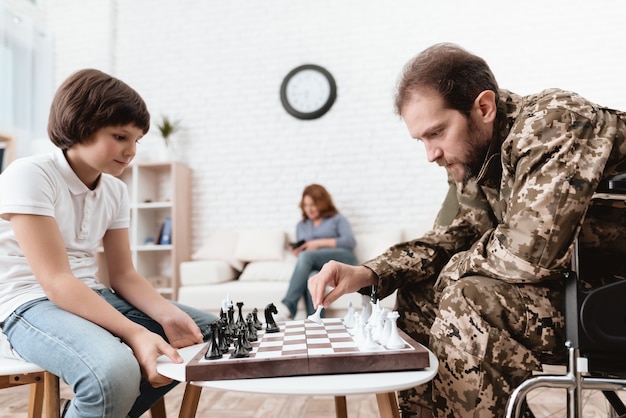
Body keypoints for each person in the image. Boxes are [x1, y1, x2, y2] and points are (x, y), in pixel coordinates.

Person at [308, 43, 626, 417]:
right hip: (576, 288)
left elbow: (528, 256)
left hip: (609, 293)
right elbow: (455, 237)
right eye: (422, 141)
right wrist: (371, 272)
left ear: (484, 107)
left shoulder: (552, 122)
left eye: (437, 133)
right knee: (416, 296)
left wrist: (455, 271)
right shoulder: (475, 159)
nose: (430, 154)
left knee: (470, 299)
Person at [0, 69, 217, 417]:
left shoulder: (116, 190)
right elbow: (56, 280)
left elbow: (124, 275)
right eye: (120, 136)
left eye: (136, 140)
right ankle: (100, 402)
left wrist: (167, 313)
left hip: (91, 295)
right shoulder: (29, 175)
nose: (131, 151)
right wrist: (136, 333)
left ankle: (94, 409)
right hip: (26, 304)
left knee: (206, 336)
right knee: (113, 373)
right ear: (79, 125)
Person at [276, 184, 358, 320]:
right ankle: (316, 321)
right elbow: (305, 251)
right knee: (313, 277)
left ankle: (288, 306)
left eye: (313, 204)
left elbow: (349, 242)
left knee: (306, 256)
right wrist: (299, 252)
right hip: (317, 265)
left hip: (342, 259)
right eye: (306, 205)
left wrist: (316, 244)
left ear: (322, 203)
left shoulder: (337, 219)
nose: (309, 209)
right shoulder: (301, 225)